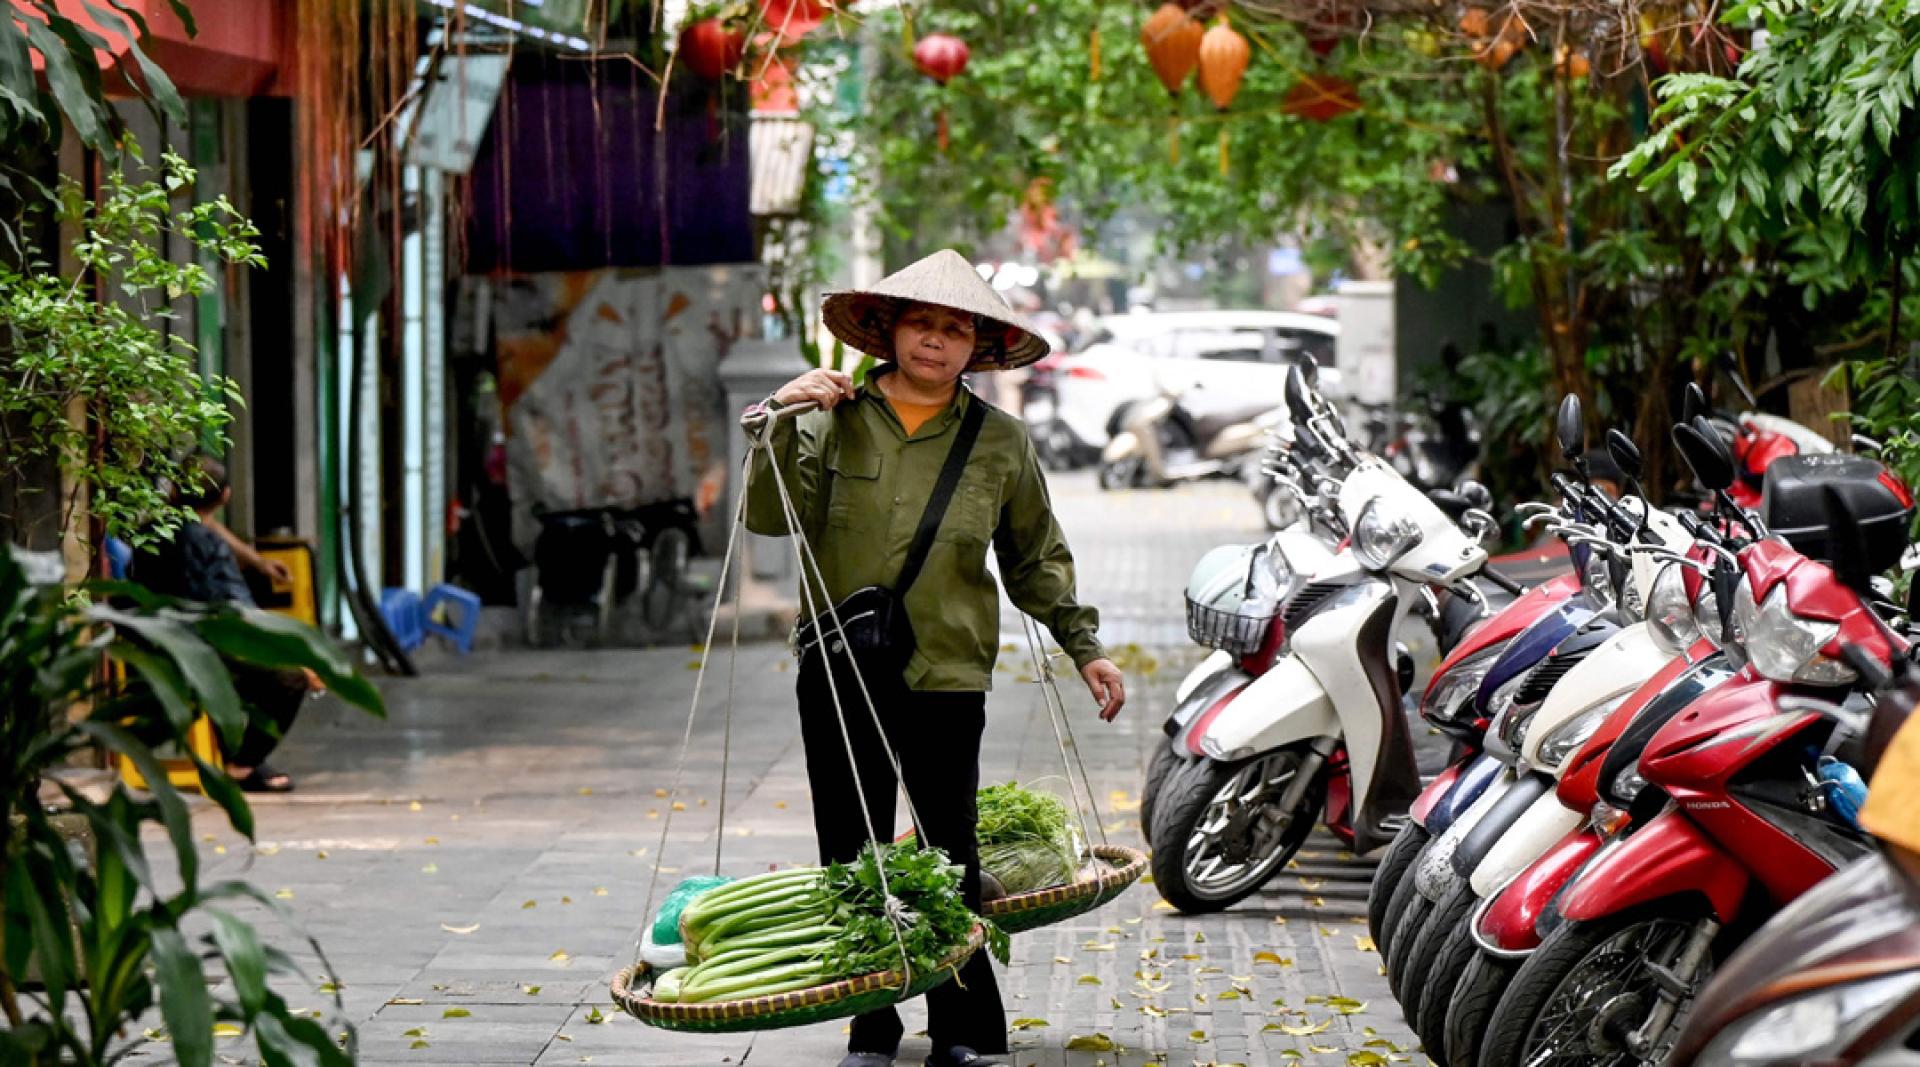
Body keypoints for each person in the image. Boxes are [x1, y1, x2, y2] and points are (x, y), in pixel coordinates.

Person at [743, 249, 1125, 1067]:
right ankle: (869, 1027)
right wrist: (778, 410)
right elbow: (770, 520)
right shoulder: (828, 416)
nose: (937, 341)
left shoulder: (1001, 442)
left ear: (974, 349)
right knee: (852, 850)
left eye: (957, 330)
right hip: (841, 663)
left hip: (947, 671)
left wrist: (1085, 648)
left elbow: (1036, 558)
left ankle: (962, 1028)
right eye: (924, 322)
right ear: (891, 330)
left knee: (950, 853)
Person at [130, 454, 312, 793]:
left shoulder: (148, 534)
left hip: (149, 644)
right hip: (195, 651)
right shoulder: (204, 543)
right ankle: (242, 764)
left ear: (172, 493)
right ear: (226, 497)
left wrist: (256, 562)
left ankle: (236, 755)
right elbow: (235, 613)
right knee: (290, 679)